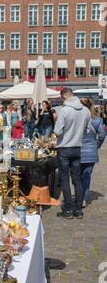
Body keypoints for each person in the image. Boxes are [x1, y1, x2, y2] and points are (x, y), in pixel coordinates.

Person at [54, 87, 91, 219]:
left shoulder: (64, 110)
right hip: (77, 147)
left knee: (64, 178)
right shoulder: (85, 110)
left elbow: (57, 131)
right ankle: (78, 210)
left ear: (64, 96)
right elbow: (87, 131)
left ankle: (68, 209)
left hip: (64, 148)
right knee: (77, 179)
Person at [80, 98, 105, 207]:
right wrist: (97, 145)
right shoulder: (97, 119)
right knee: (87, 176)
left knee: (77, 176)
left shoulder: (77, 119)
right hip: (91, 151)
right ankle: (84, 198)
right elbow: (102, 135)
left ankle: (79, 196)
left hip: (78, 150)